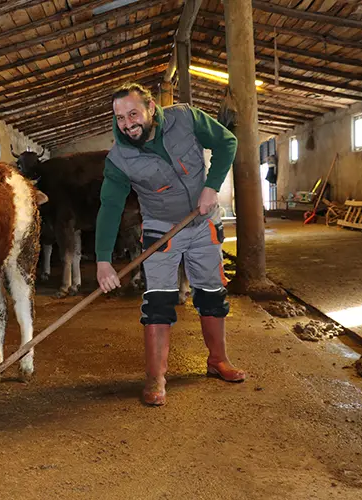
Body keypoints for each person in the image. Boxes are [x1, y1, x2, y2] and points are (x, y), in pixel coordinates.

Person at [95, 82, 246, 406]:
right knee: (158, 302)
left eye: (133, 113)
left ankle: (217, 360)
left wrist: (211, 186)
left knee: (211, 293)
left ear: (150, 107)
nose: (127, 123)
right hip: (161, 230)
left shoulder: (186, 119)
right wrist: (103, 259)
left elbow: (226, 142)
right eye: (120, 117)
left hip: (203, 221)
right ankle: (156, 377)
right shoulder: (119, 158)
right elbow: (110, 206)